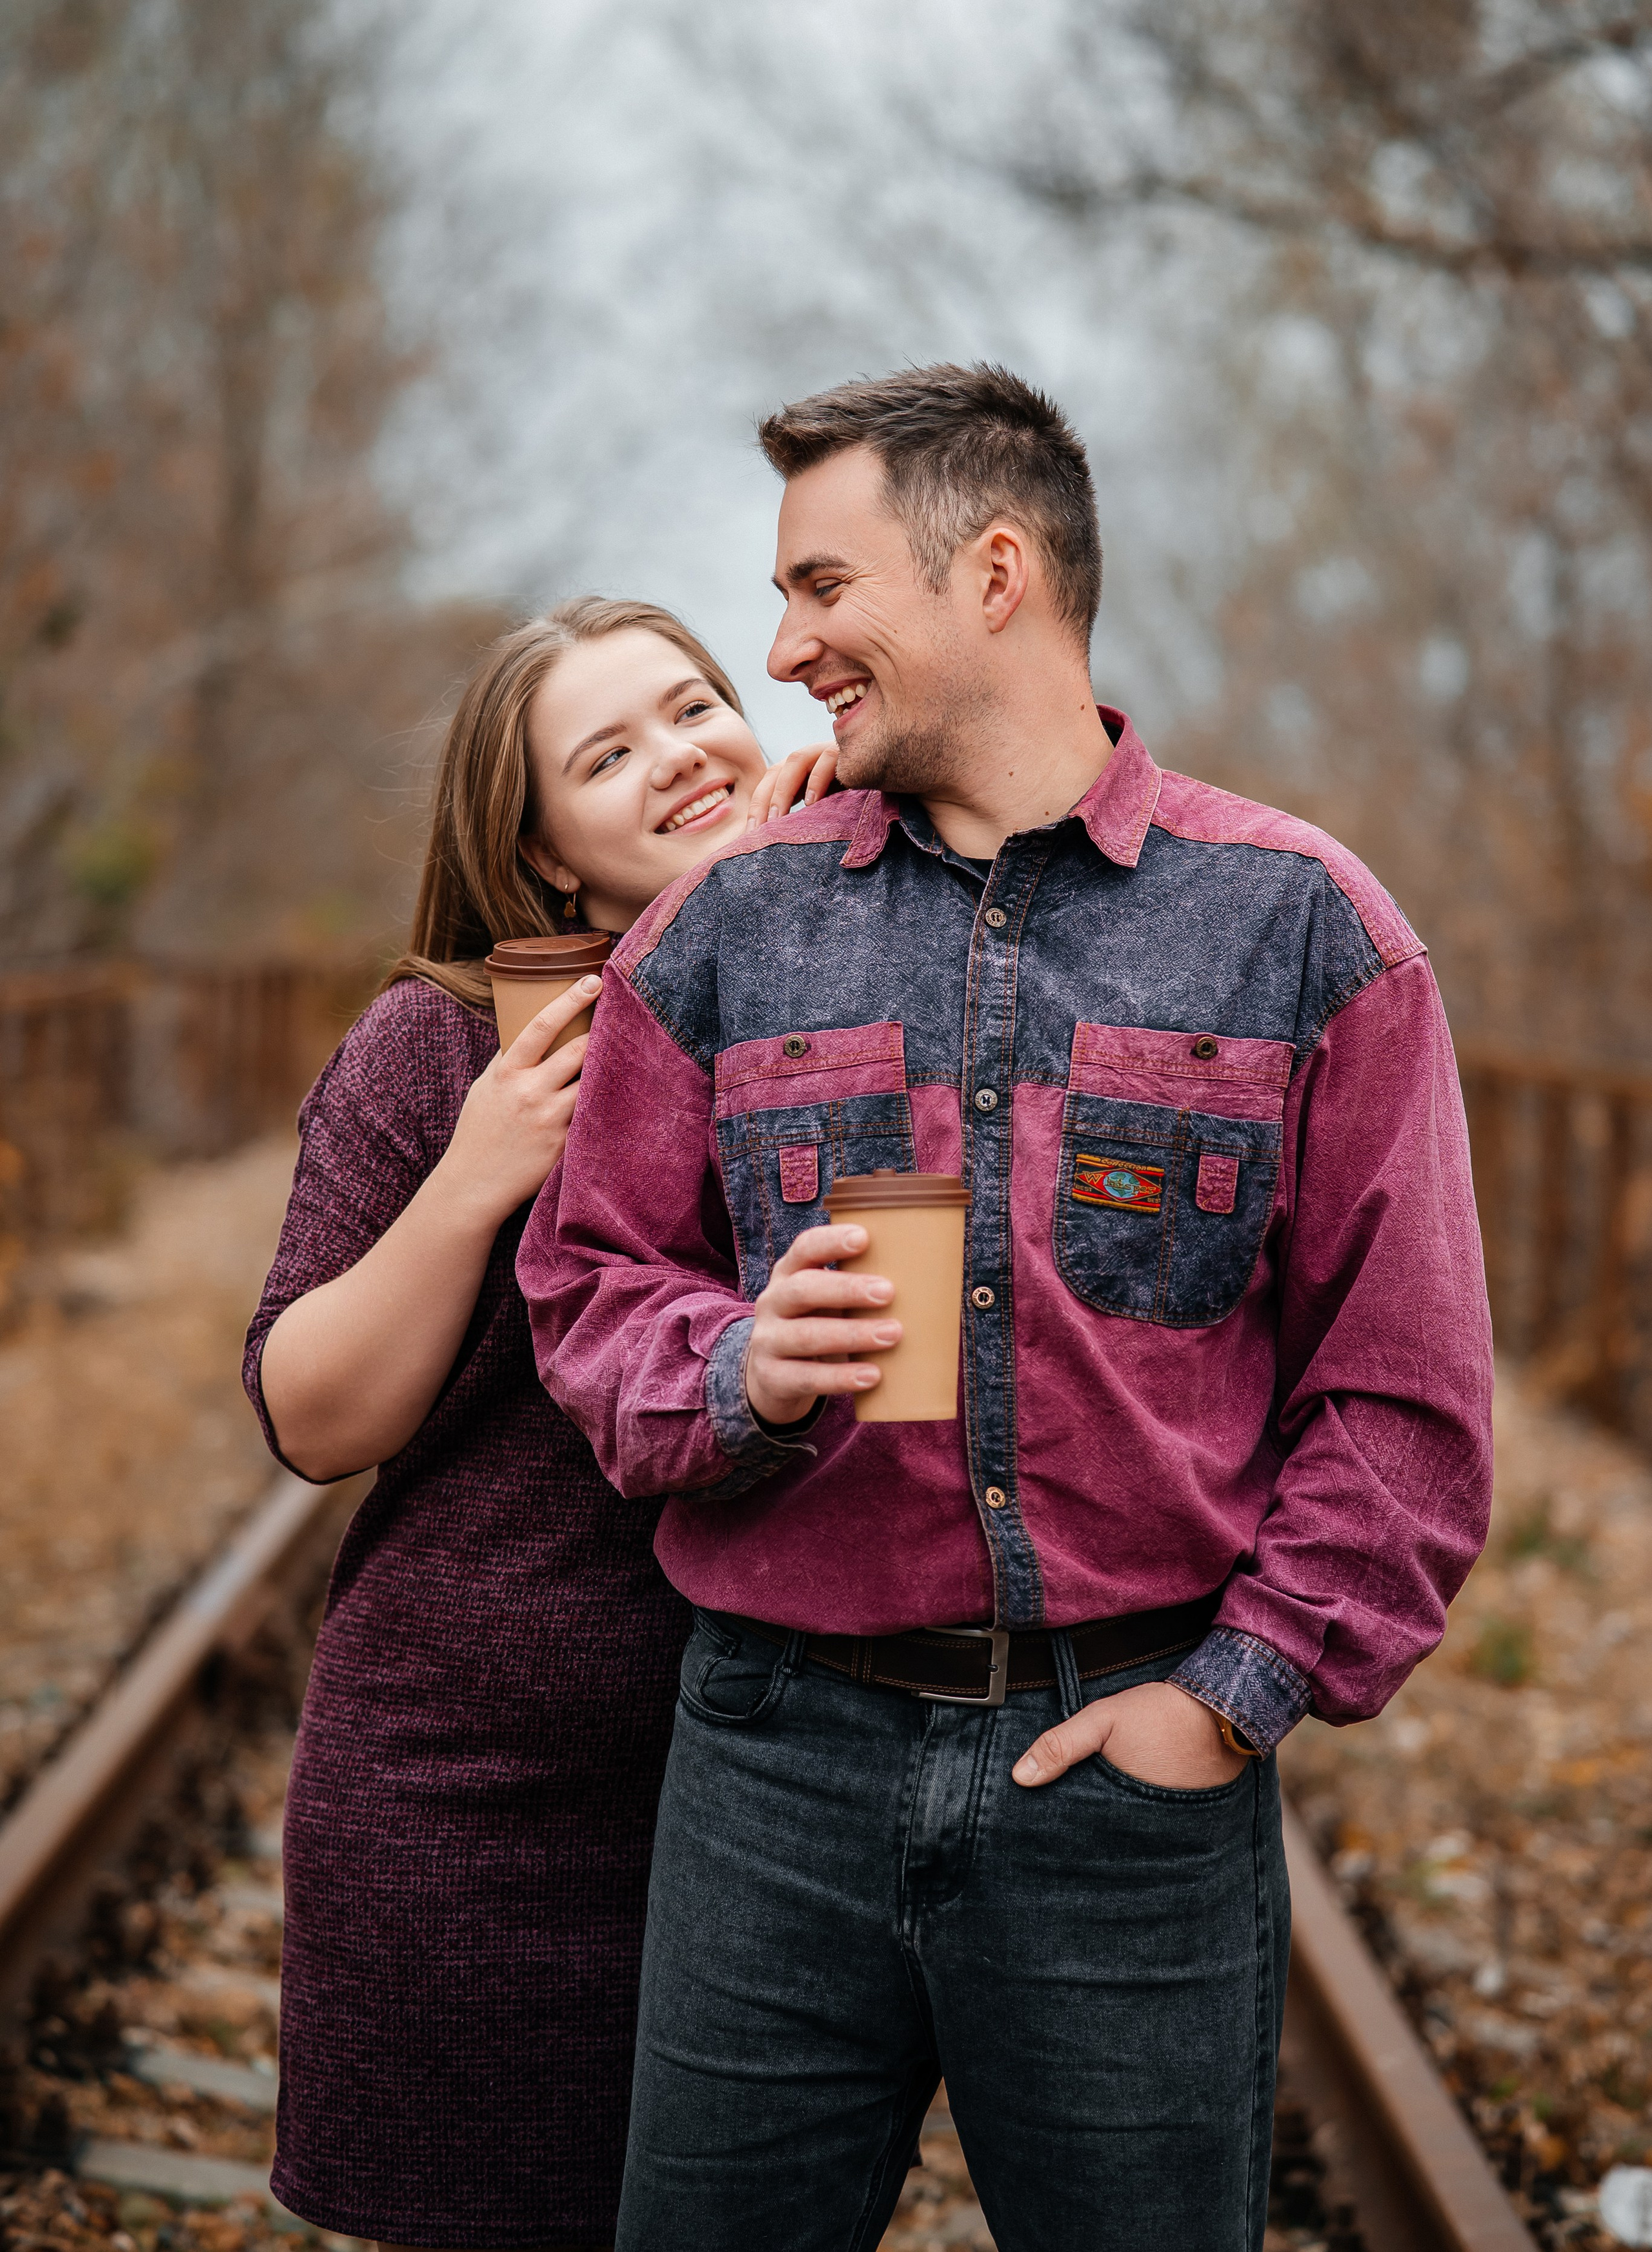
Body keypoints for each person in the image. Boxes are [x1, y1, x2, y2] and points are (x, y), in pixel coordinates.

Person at [518, 368, 1496, 2252]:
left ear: (992, 573)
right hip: (772, 1770)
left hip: (1128, 1785)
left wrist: (1232, 1697)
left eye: (821, 587)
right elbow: (589, 1282)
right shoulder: (722, 930)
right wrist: (730, 1368)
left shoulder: (1305, 929)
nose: (781, 650)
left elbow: (1403, 1394)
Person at [242, 595, 835, 2252]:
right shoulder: (445, 1041)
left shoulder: (847, 992)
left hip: (776, 1798)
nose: (678, 757)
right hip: (466, 1805)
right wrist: (476, 1172)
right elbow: (309, 1413)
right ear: (543, 857)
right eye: (605, 754)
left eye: (693, 707)